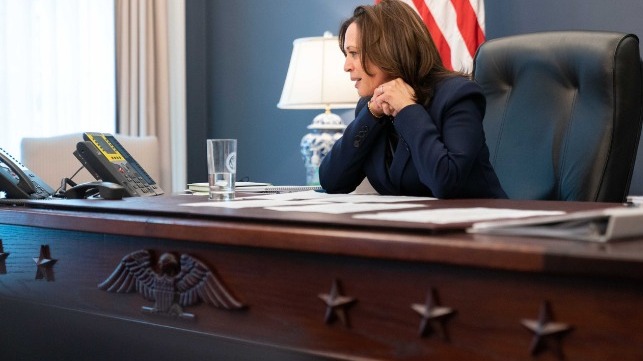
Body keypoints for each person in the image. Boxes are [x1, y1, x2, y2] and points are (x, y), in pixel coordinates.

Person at [319, 0, 507, 199]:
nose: (346, 66)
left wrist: (407, 109)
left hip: (480, 224)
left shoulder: (457, 96)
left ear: (389, 49)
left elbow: (445, 183)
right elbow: (332, 181)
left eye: (354, 53)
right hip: (411, 226)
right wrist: (371, 115)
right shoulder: (370, 107)